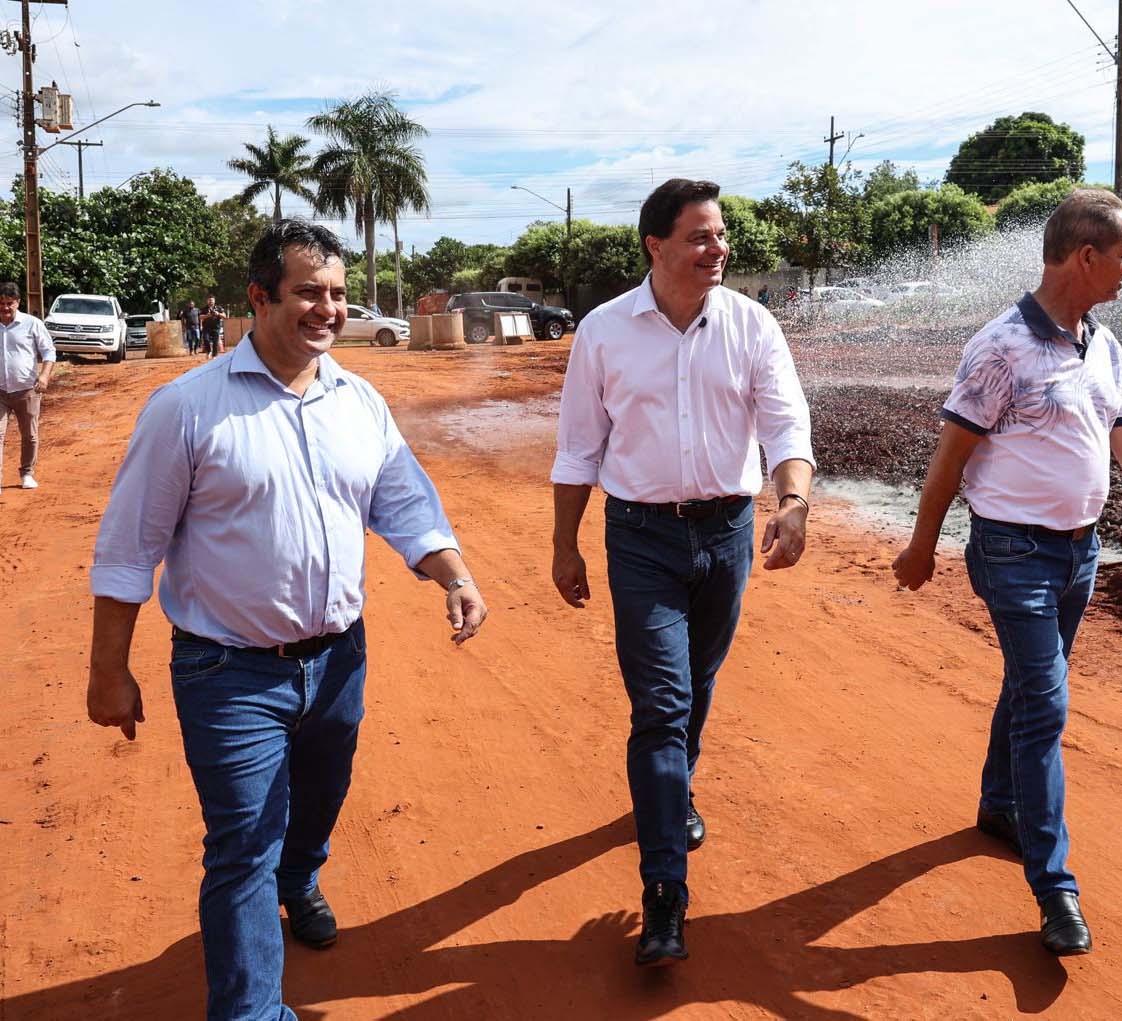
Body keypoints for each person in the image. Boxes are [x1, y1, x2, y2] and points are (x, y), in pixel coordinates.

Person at [87, 219, 489, 1020]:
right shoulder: (187, 408)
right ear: (259, 297)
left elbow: (400, 498)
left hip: (339, 658)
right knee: (241, 848)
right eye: (308, 291)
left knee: (318, 797)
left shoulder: (357, 399)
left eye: (338, 293)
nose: (328, 308)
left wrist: (452, 573)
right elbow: (130, 548)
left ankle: (301, 876)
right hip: (227, 670)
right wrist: (108, 668)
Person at [892, 189, 1122, 957]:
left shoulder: (1101, 346)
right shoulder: (1000, 346)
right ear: (1085, 257)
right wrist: (921, 546)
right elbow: (952, 455)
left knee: (1030, 682)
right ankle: (1055, 888)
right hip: (1013, 551)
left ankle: (998, 802)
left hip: (1081, 551)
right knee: (1046, 704)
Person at [551, 178, 814, 968]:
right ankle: (665, 890)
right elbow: (577, 447)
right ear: (655, 246)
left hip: (727, 533)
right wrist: (565, 544)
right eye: (700, 236)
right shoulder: (603, 332)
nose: (718, 248)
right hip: (639, 536)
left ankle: (673, 792)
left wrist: (793, 501)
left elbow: (784, 421)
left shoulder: (751, 324)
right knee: (661, 705)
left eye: (721, 234)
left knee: (695, 688)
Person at [0, 281, 55, 491]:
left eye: (9, 303)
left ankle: (27, 473)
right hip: (0, 392)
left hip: (27, 390)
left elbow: (49, 352)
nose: (5, 308)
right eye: (1, 303)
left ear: (18, 303)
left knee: (29, 435)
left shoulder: (32, 324)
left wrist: (44, 376)